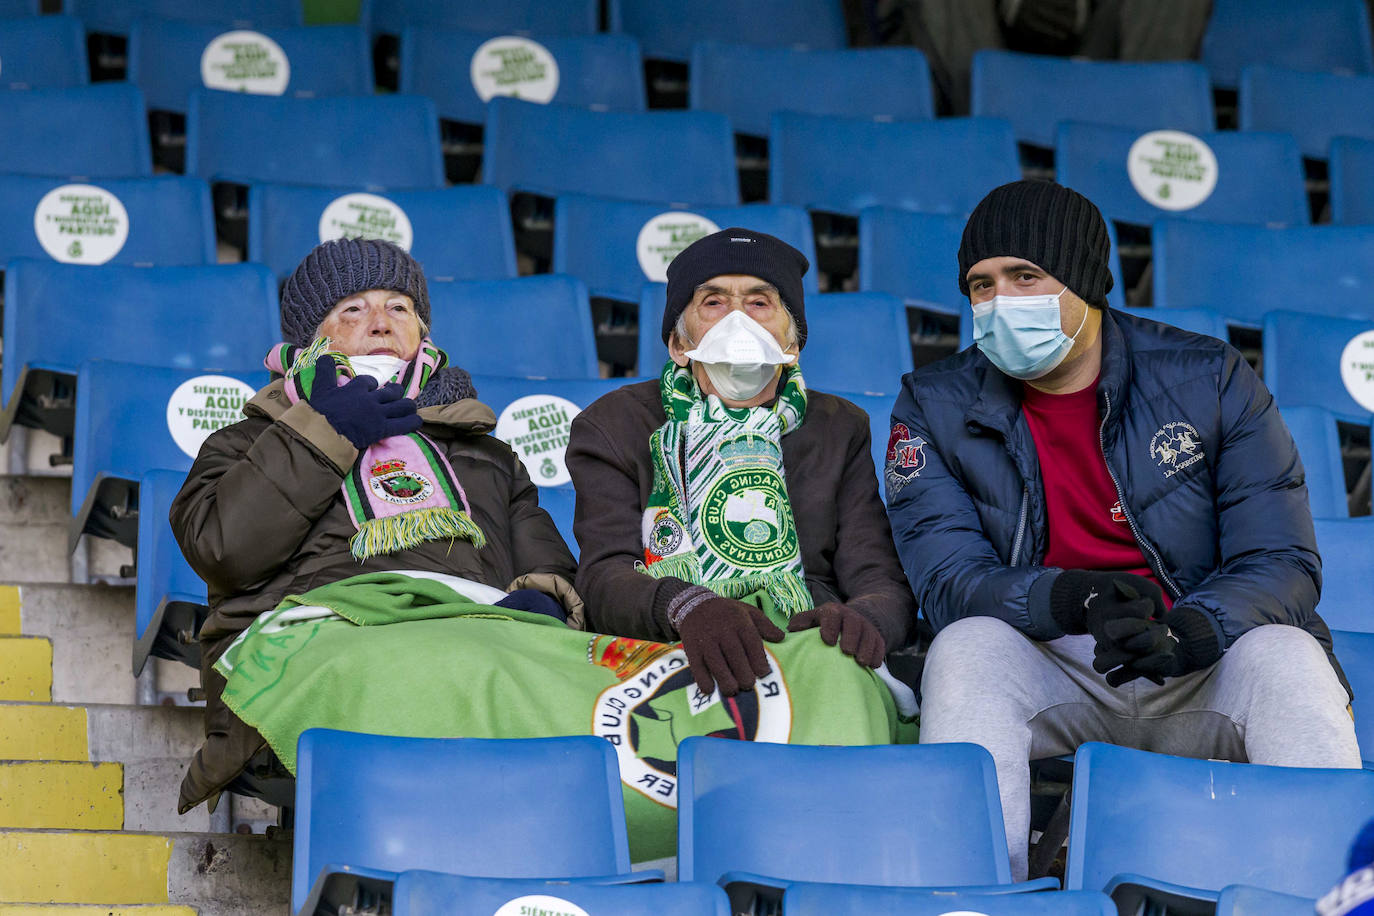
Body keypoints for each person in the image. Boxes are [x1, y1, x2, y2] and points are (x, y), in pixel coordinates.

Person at [885, 180, 1361, 880]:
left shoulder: (1210, 378)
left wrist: (1194, 629)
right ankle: (977, 892)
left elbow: (1282, 559)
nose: (1001, 302)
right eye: (981, 286)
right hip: (1049, 656)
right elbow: (949, 580)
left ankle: (1333, 893)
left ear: (1085, 283)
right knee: (965, 650)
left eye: (1026, 276)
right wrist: (1065, 600)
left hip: (1202, 658)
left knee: (1289, 659)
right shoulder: (934, 402)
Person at [171, 238, 579, 813]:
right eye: (353, 310)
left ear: (424, 333)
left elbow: (547, 570)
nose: (381, 323)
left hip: (477, 642)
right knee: (435, 674)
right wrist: (325, 430)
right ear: (311, 339)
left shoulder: (487, 453)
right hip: (319, 645)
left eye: (398, 307)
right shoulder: (245, 443)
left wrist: (543, 602)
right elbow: (223, 549)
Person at [566, 228, 915, 699]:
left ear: (791, 345)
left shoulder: (839, 426)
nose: (738, 321)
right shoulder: (613, 425)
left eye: (758, 303)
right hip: (668, 642)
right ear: (678, 344)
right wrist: (687, 607)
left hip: (805, 642)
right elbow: (604, 577)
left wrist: (862, 620)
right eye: (713, 302)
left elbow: (877, 577)